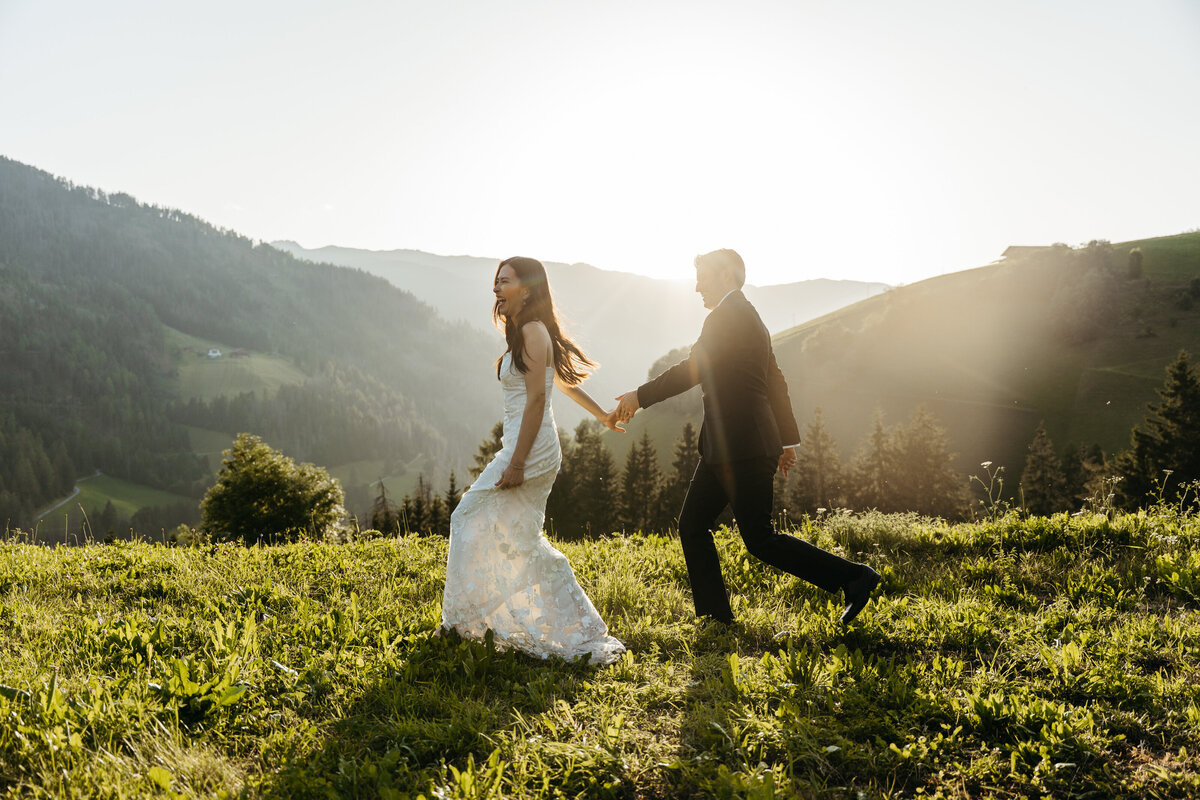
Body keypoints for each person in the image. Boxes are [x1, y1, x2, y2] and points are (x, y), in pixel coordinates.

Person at [612, 249, 880, 627]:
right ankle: (716, 617)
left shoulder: (726, 317)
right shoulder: (749, 316)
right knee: (693, 525)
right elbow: (775, 381)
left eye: (702, 276)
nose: (696, 286)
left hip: (743, 448)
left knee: (760, 540)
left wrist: (639, 397)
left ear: (724, 275)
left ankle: (855, 577)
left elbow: (694, 369)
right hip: (729, 447)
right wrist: (787, 441)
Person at [440, 256, 627, 664]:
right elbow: (559, 380)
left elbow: (540, 397)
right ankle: (482, 618)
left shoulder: (532, 330)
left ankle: (461, 622)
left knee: (466, 516)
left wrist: (518, 462)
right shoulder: (526, 332)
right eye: (495, 281)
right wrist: (603, 416)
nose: (496, 288)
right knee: (518, 537)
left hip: (532, 450)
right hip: (522, 445)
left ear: (526, 288)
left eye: (503, 281)